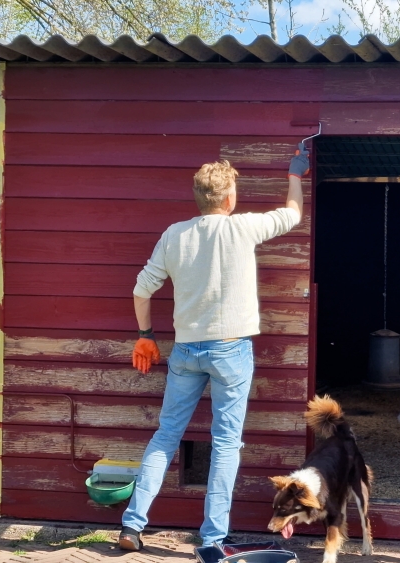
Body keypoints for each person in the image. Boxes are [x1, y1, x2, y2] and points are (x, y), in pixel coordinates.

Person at [118, 148, 308, 552]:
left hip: (186, 351)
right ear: (228, 198)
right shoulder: (243, 228)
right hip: (230, 350)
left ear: (198, 197)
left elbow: (140, 289)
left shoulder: (174, 234)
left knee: (166, 436)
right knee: (225, 444)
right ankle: (212, 539)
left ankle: (132, 527)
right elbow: (293, 214)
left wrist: (146, 334)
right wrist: (295, 172)